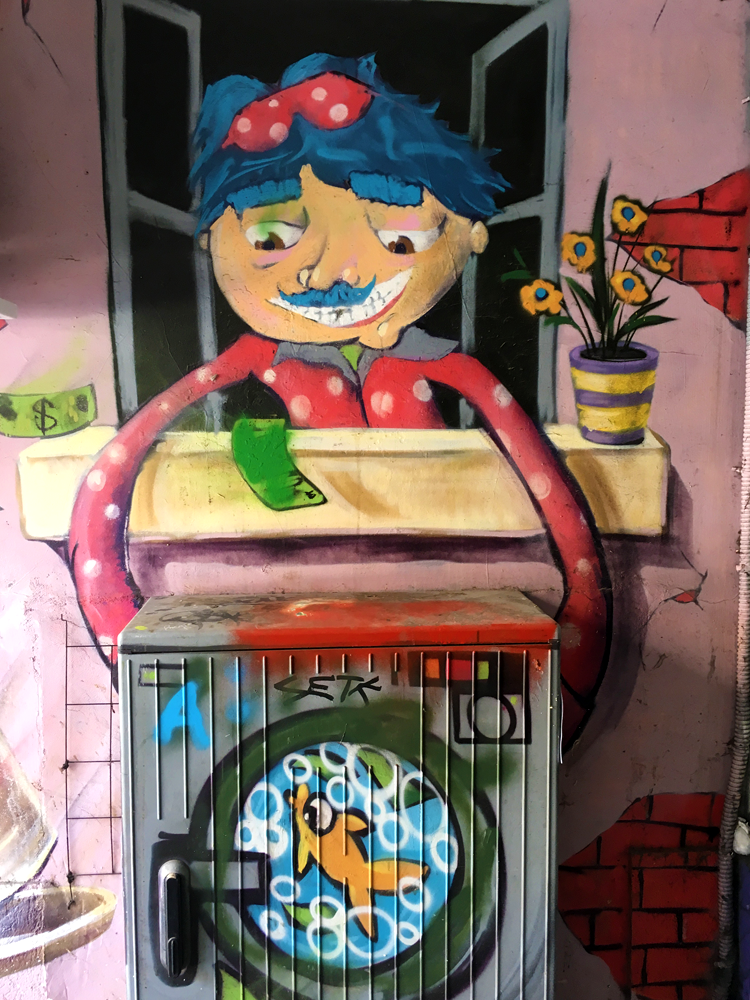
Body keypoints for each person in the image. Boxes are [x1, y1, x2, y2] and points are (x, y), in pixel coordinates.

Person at [67, 53, 610, 748]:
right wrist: (118, 617)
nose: (332, 271)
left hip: (439, 634)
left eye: (398, 237)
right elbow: (124, 457)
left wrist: (577, 646)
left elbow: (554, 496)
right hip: (296, 637)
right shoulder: (256, 362)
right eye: (271, 237)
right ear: (213, 242)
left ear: (470, 234)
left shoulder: (451, 367)